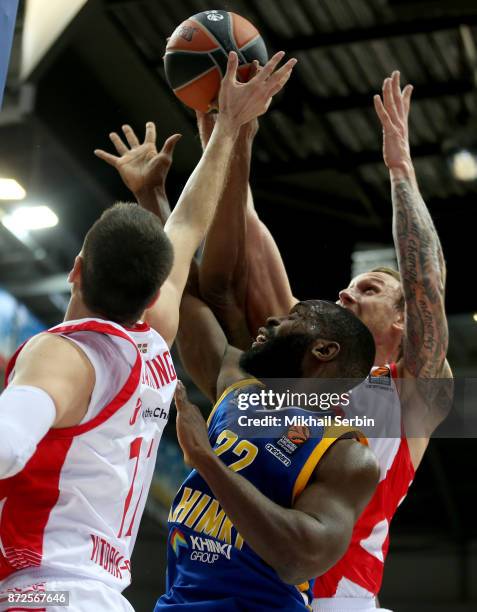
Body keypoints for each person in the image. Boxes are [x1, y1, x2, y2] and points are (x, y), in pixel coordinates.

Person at [0, 50, 296, 612]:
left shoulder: (63, 355)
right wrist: (229, 126)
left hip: (40, 593)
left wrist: (229, 125)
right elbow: (185, 225)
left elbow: (8, 444)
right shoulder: (153, 336)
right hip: (99, 595)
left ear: (76, 270)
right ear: (156, 290)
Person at [190, 71, 454, 610]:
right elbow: (247, 230)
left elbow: (427, 283)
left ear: (403, 323)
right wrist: (229, 136)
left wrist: (401, 168)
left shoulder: (409, 396)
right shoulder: (308, 357)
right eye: (349, 285)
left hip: (343, 597)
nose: (345, 292)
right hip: (263, 586)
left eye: (370, 288)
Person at [154, 263, 380, 611]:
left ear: (323, 350)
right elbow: (183, 289)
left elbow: (300, 560)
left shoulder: (344, 452)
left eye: (296, 316)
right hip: (176, 603)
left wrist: (205, 459)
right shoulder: (237, 391)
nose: (274, 320)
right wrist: (155, 208)